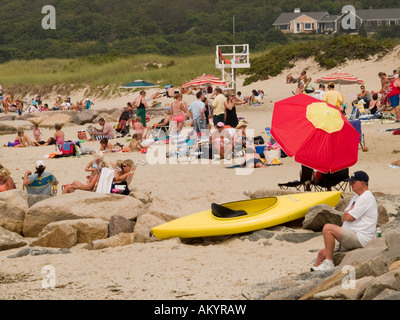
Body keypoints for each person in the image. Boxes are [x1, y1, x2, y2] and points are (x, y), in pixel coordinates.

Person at [311, 171, 377, 271]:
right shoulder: (357, 197)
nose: (351, 185)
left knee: (327, 228)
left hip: (360, 236)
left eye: (353, 182)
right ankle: (313, 275)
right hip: (349, 234)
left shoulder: (366, 197)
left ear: (362, 183)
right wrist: (348, 213)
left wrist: (348, 213)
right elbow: (344, 216)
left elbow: (348, 217)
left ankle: (329, 263)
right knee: (321, 253)